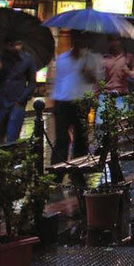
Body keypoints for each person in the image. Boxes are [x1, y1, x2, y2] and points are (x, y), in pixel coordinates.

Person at [51, 31, 101, 167]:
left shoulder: (91, 59)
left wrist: (89, 74)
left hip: (81, 102)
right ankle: (57, 171)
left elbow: (96, 81)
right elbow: (59, 81)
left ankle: (78, 171)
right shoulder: (62, 58)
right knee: (61, 139)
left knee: (81, 141)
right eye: (77, 38)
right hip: (63, 102)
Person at [0, 38, 38, 143]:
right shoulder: (0, 57)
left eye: (17, 44)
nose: (15, 47)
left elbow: (32, 83)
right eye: (12, 44)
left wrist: (22, 99)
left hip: (17, 101)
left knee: (12, 136)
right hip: (1, 101)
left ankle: (12, 156)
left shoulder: (28, 59)